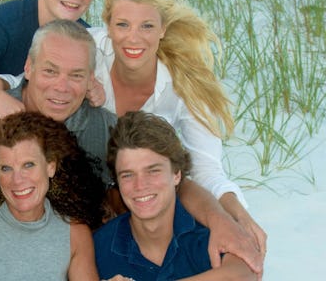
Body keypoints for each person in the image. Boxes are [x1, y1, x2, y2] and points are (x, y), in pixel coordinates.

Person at [0, 19, 263, 276]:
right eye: (50, 71)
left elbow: (163, 174)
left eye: (75, 75)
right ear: (29, 69)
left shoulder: (101, 127)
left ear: (91, 78)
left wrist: (223, 218)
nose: (61, 87)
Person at [88, 0, 267, 263]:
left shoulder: (186, 81)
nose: (133, 38)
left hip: (144, 191)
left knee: (225, 238)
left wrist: (238, 215)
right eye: (122, 24)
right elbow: (31, 79)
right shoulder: (87, 51)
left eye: (146, 26)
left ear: (163, 28)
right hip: (85, 185)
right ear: (107, 24)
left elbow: (206, 170)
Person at [95, 111, 256, 280]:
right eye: (127, 175)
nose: (140, 185)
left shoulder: (209, 232)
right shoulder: (101, 245)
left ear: (177, 174)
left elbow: (245, 273)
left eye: (153, 171)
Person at [0, 111, 105, 280]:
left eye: (28, 165)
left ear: (51, 166)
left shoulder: (75, 235)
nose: (17, 180)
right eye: (6, 168)